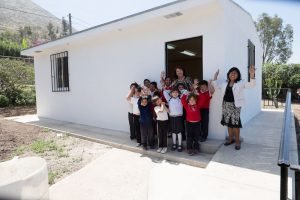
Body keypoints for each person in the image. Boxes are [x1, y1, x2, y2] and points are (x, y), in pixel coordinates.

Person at [212, 66, 256, 150]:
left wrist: (252, 75)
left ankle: (237, 141)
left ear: (238, 75)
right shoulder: (225, 83)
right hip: (225, 105)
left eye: (235, 73)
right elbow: (216, 86)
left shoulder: (241, 83)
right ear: (228, 74)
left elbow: (251, 85)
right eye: (231, 73)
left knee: (235, 124)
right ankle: (230, 139)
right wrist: (215, 77)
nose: (233, 74)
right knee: (229, 123)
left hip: (235, 106)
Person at [163, 88, 184, 152]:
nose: (175, 93)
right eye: (173, 92)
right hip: (172, 118)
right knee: (173, 132)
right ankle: (174, 144)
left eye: (176, 92)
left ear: (178, 93)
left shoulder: (180, 99)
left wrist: (179, 91)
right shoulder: (169, 99)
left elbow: (185, 91)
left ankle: (180, 145)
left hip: (179, 118)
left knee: (179, 132)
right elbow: (164, 91)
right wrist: (171, 90)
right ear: (171, 94)